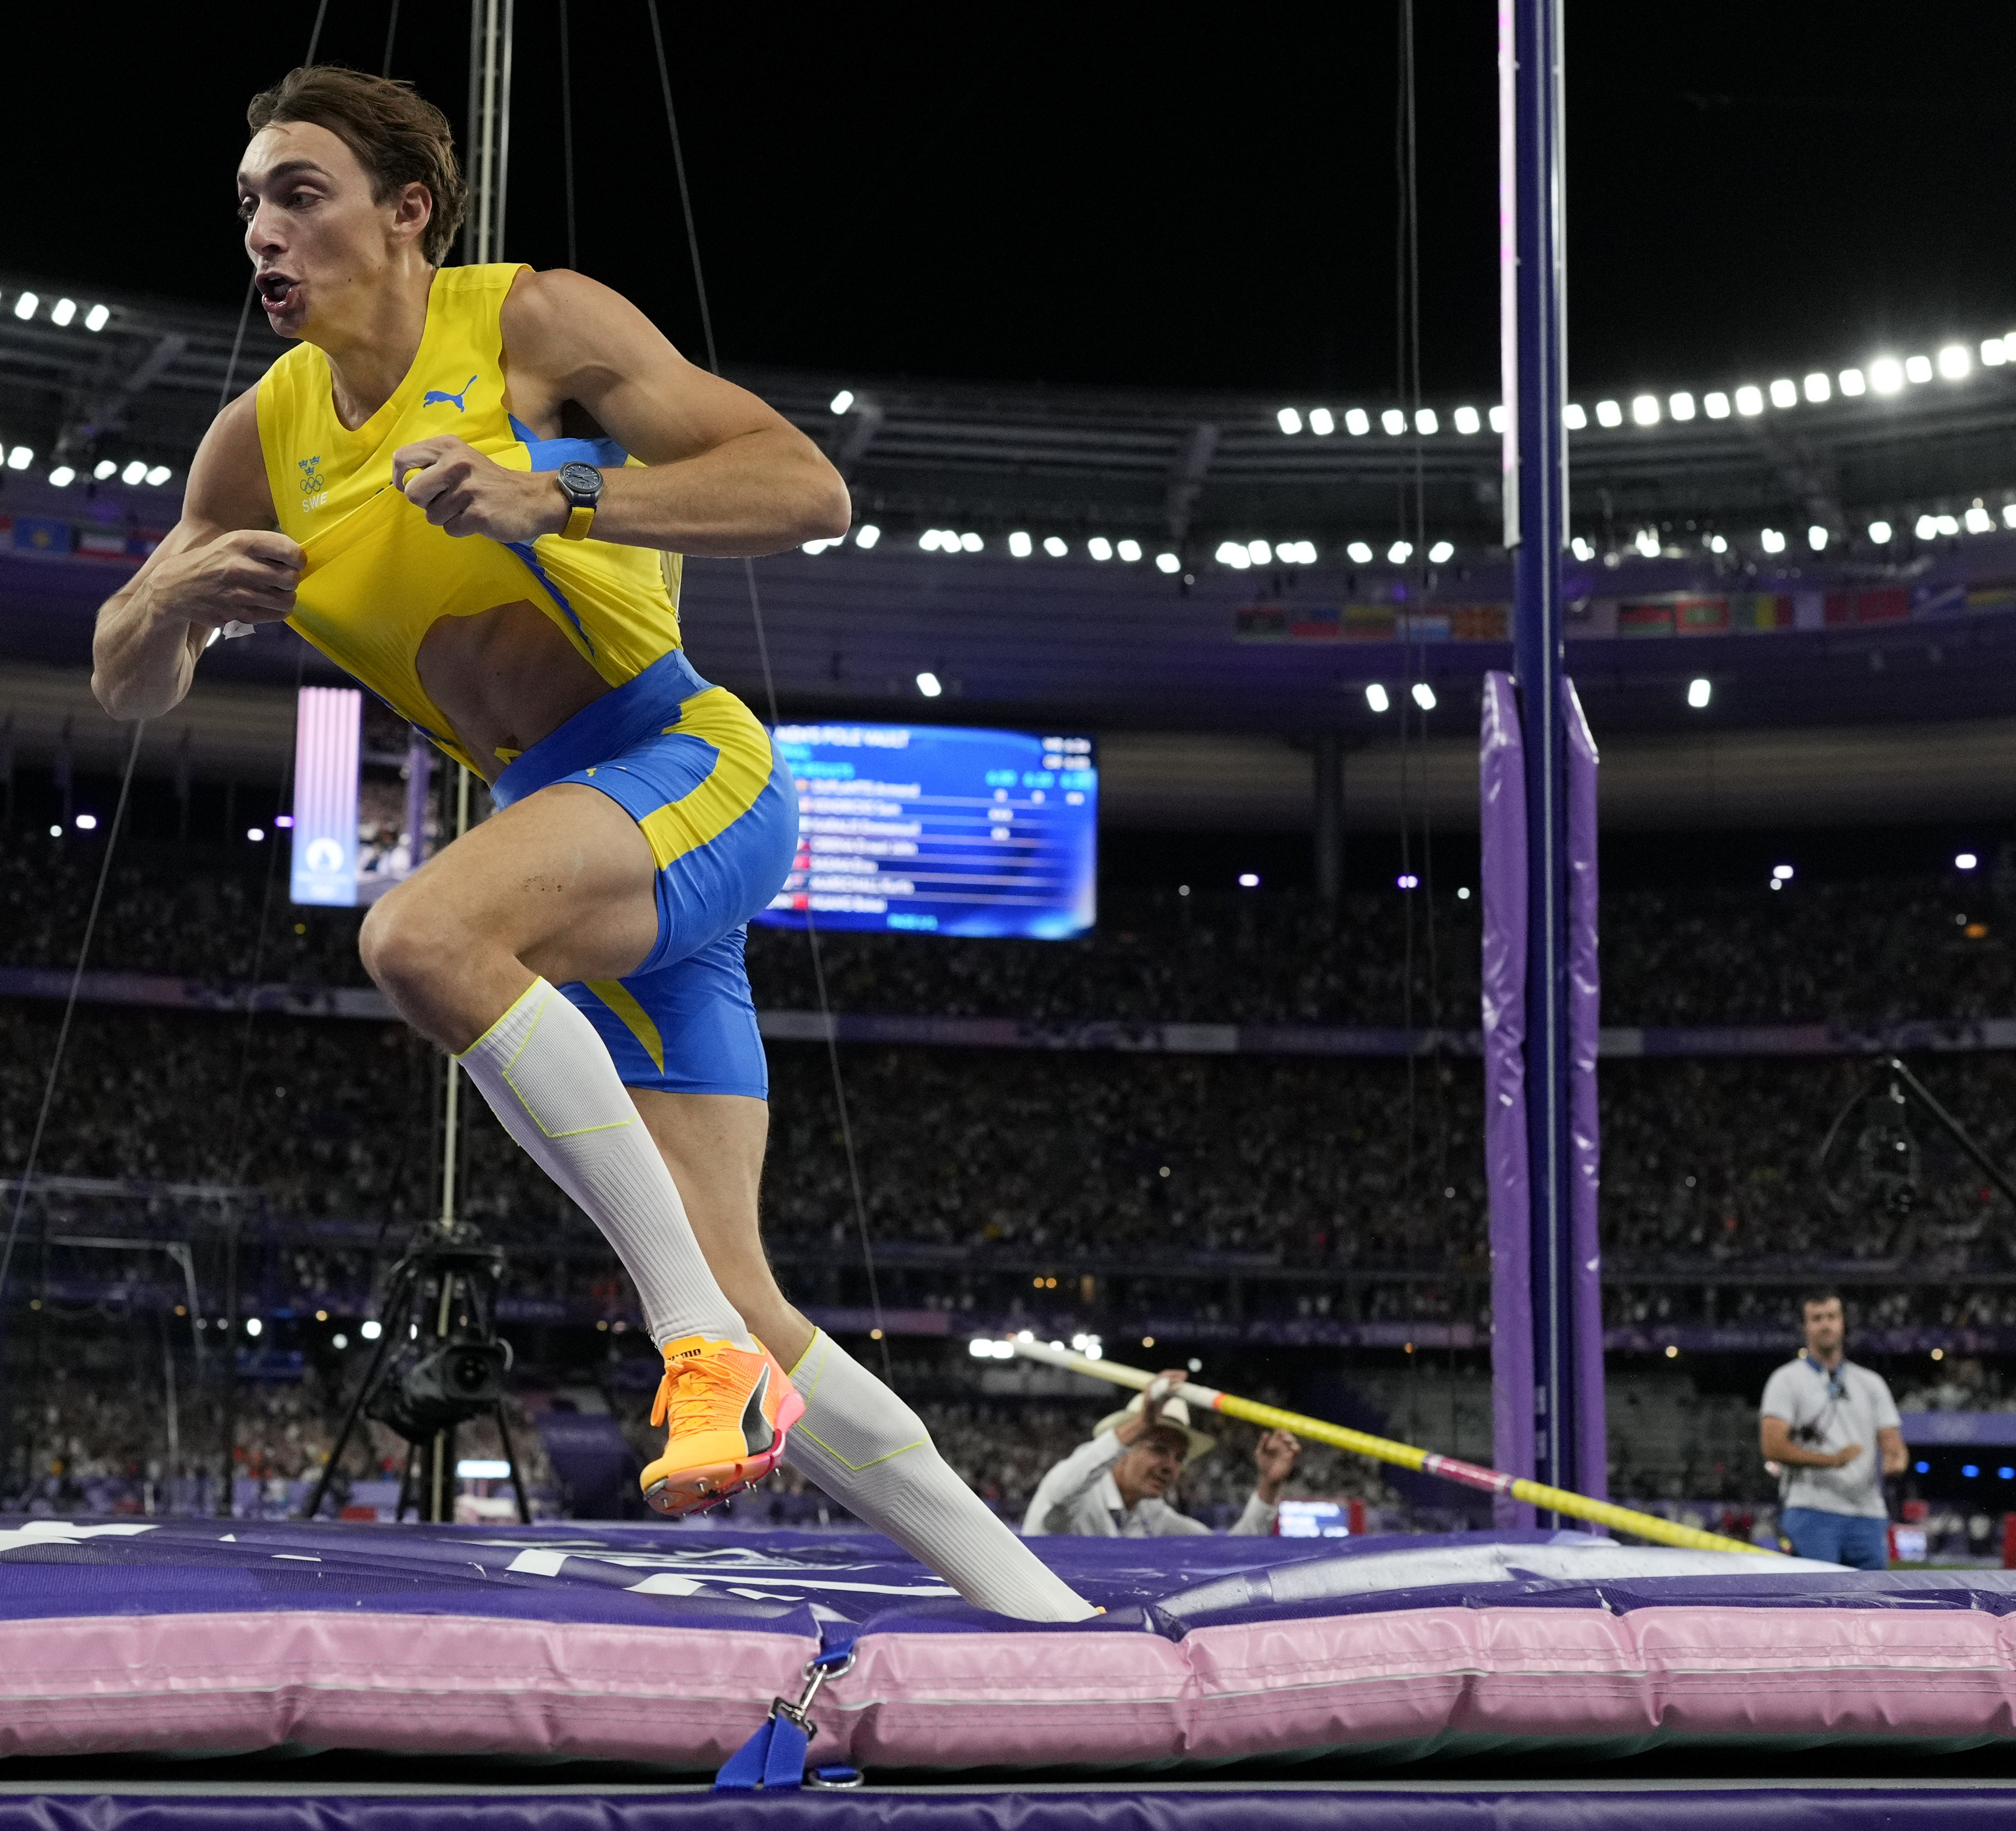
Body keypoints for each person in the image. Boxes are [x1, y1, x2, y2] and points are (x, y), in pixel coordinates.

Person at [89, 66, 1093, 1620]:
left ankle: (695, 1347)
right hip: (568, 834)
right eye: (247, 205)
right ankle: (1046, 1611)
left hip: (684, 763)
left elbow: (807, 488)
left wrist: (553, 495)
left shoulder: (531, 322)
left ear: (407, 211)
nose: (262, 233)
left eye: (299, 193)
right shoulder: (258, 438)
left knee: (420, 934)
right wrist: (166, 599)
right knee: (754, 1295)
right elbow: (127, 681)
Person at [1022, 1373, 1301, 1537]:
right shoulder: (1081, 1493)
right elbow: (1060, 1490)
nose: (1171, 1466)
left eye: (1180, 1458)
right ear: (1124, 1449)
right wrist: (1140, 1424)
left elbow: (1228, 1554)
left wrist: (1269, 1485)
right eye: (1158, 1449)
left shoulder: (1151, 1513)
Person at [1758, 1289, 1906, 1570]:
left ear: (1843, 1323)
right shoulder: (1786, 1380)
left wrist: (1896, 1458)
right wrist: (1832, 1461)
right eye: (1817, 1318)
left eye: (1831, 1317)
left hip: (1868, 1512)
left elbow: (1892, 1441)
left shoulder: (1871, 1383)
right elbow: (1772, 1447)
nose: (1825, 1325)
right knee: (1816, 1596)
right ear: (1806, 1327)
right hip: (1811, 1509)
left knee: (1874, 1596)